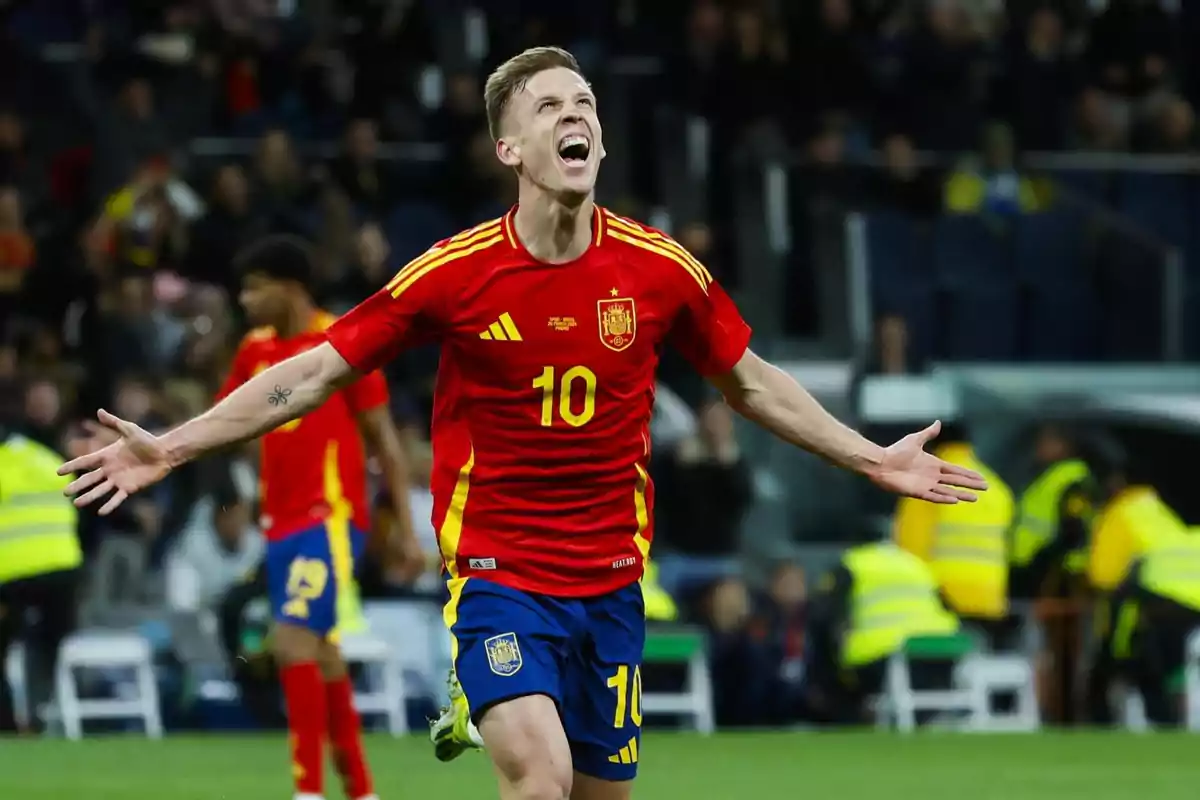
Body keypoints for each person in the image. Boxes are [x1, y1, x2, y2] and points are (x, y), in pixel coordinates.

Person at [59, 46, 985, 800]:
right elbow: (307, 376)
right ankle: (473, 686)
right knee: (537, 785)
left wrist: (870, 459)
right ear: (510, 149)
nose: (575, 115)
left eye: (583, 102)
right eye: (548, 107)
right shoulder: (453, 274)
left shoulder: (660, 270)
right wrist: (172, 446)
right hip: (501, 575)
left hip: (615, 586)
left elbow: (750, 383)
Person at [70, 235, 423, 800]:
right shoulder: (254, 349)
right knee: (321, 650)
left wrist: (404, 527)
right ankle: (359, 789)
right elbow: (224, 420)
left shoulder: (343, 342)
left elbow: (382, 437)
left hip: (328, 516)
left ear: (290, 288)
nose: (245, 299)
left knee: (291, 641)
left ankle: (307, 790)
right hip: (280, 521)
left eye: (255, 287)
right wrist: (157, 441)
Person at [801, 540, 959, 726]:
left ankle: (846, 718)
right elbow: (948, 607)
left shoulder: (853, 565)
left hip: (880, 652)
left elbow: (822, 616)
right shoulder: (917, 564)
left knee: (833, 664)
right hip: (939, 650)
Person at [0, 424, 83, 733]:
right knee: (46, 648)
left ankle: (7, 728)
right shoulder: (45, 458)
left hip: (10, 575)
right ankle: (39, 714)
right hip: (63, 571)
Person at [1084, 538, 1200, 728]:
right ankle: (1157, 722)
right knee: (1109, 684)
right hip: (1126, 649)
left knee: (1146, 684)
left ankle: (1160, 723)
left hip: (1131, 649)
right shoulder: (1134, 594)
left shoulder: (1131, 595)